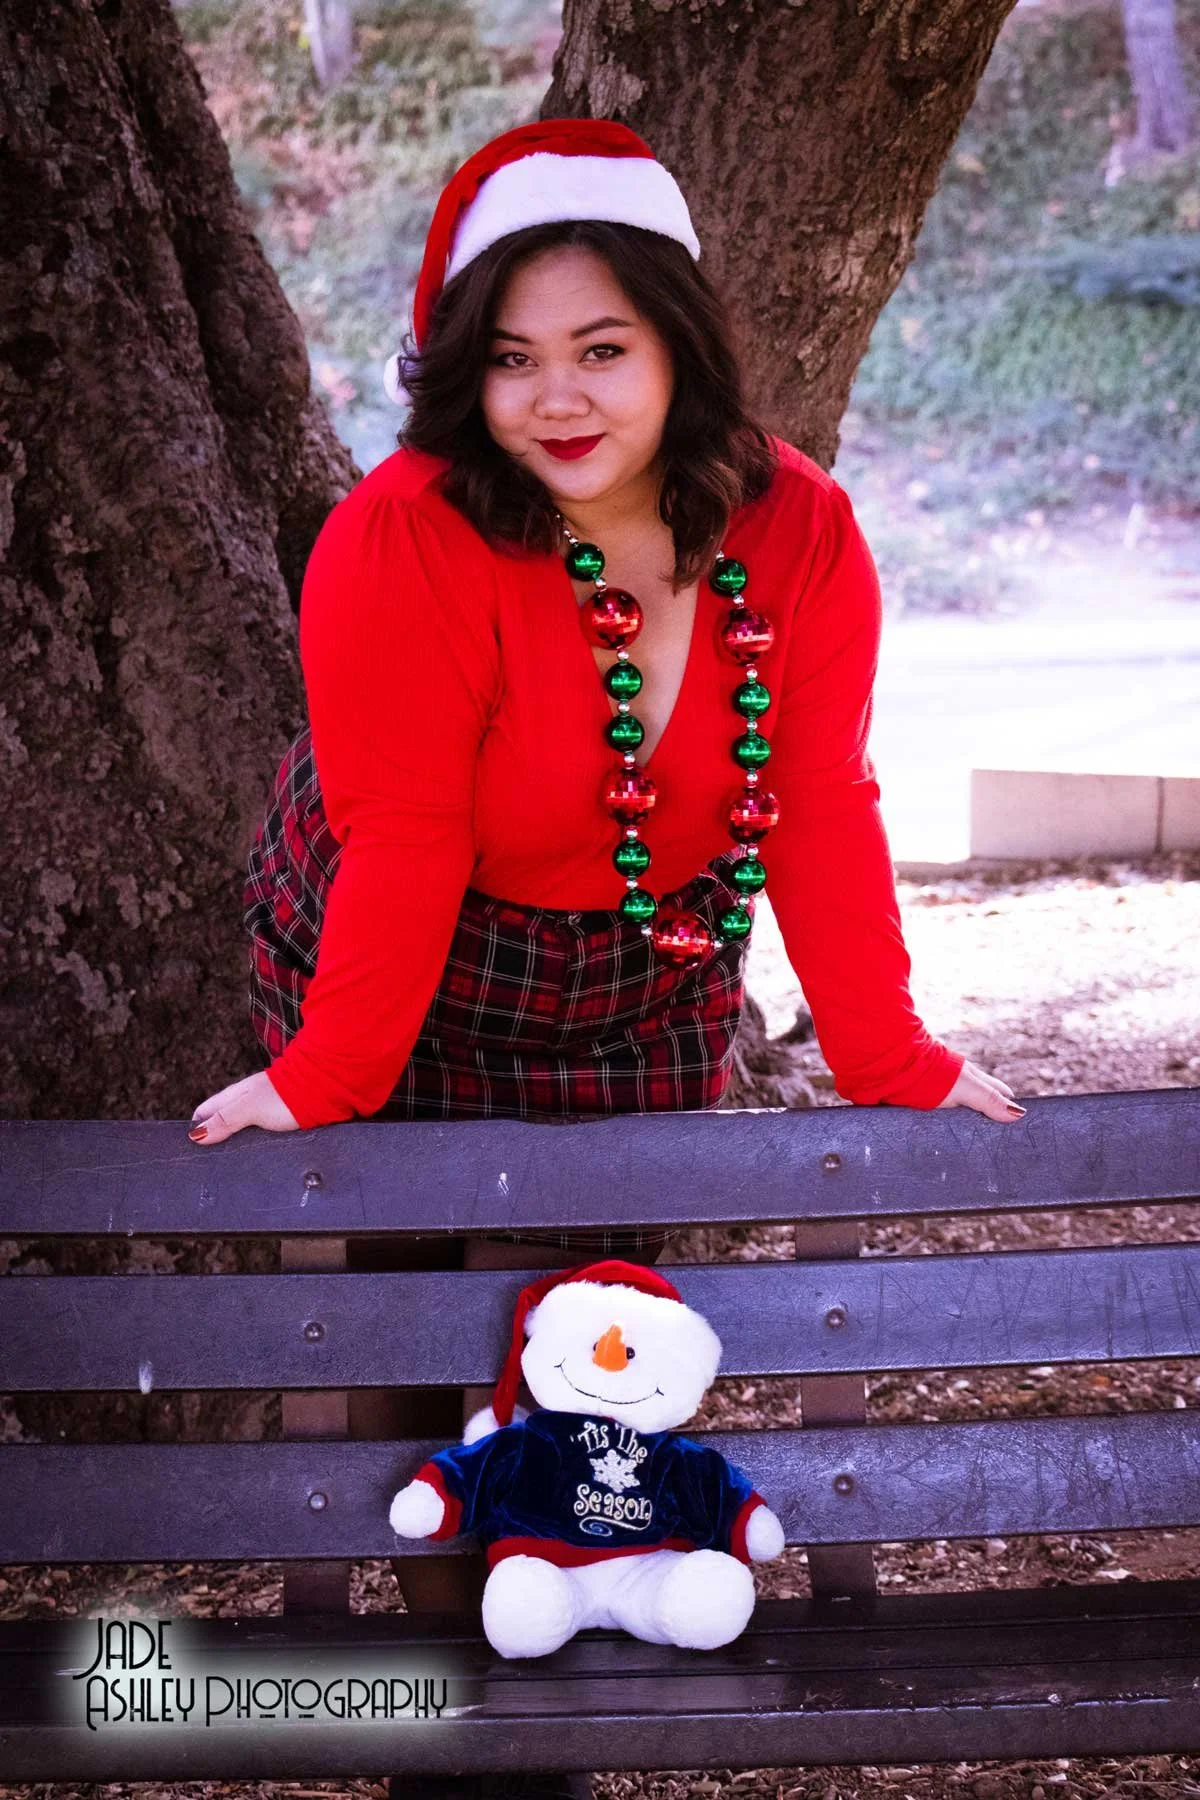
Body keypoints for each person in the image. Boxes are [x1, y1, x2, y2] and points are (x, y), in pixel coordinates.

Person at [188, 117, 1025, 1800]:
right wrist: (325, 1076)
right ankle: (466, 1751)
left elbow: (817, 800)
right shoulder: (406, 536)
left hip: (646, 964)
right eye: (511, 358)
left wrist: (890, 1053)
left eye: (602, 348)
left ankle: (552, 1715)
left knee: (582, 1345)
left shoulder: (800, 529)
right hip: (409, 951)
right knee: (417, 1357)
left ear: (680, 344)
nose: (556, 398)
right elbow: (404, 833)